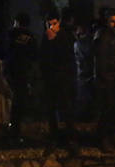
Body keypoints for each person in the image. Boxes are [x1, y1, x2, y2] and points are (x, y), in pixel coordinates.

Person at [40, 12, 77, 150]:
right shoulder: (45, 37)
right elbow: (43, 58)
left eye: (54, 23)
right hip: (50, 80)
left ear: (59, 23)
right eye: (49, 24)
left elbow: (67, 57)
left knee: (66, 109)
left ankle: (71, 139)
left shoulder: (64, 36)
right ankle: (54, 137)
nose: (52, 27)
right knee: (51, 110)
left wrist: (54, 40)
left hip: (63, 80)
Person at [1, 12, 37, 143]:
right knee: (19, 105)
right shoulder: (31, 37)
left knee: (9, 104)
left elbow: (2, 52)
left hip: (10, 73)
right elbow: (34, 55)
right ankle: (16, 132)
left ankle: (10, 132)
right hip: (23, 74)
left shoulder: (9, 34)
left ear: (16, 22)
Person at [93, 8, 115, 152]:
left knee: (112, 111)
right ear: (107, 22)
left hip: (114, 79)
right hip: (106, 81)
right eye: (112, 21)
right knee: (106, 111)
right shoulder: (103, 37)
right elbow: (101, 61)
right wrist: (107, 78)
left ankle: (111, 138)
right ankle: (103, 139)